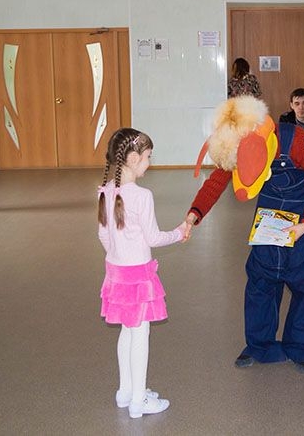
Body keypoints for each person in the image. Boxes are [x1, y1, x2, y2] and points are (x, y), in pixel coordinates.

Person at [185, 95, 304, 373]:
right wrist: (195, 213)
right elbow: (218, 179)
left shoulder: (296, 140)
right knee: (261, 280)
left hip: (303, 215)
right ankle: (260, 345)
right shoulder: (235, 142)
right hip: (269, 216)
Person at [96, 128, 189, 419]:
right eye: (148, 156)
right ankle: (138, 401)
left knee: (127, 331)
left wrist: (118, 255)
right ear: (134, 158)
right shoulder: (142, 196)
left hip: (115, 273)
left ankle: (125, 392)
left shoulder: (106, 190)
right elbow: (153, 238)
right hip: (138, 277)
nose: (150, 162)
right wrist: (179, 233)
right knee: (140, 335)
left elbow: (103, 235)